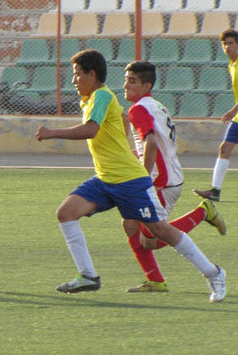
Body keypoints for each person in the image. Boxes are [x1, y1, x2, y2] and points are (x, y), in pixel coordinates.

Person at [34, 49, 226, 303]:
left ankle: (214, 273)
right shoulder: (93, 99)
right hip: (106, 178)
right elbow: (121, 120)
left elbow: (91, 130)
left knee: (159, 230)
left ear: (92, 74)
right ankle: (89, 276)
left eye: (77, 74)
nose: (74, 80)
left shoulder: (101, 95)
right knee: (66, 213)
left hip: (130, 180)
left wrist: (51, 132)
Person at [124, 61, 226, 293]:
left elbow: (150, 144)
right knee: (130, 223)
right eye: (126, 79)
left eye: (132, 81)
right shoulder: (157, 105)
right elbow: (153, 145)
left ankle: (203, 212)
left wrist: (143, 178)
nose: (126, 85)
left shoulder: (138, 109)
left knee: (152, 238)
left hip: (161, 182)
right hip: (169, 176)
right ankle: (156, 280)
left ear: (146, 85)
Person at [193, 29, 238, 202]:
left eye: (231, 43)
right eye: (224, 44)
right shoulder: (231, 64)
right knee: (224, 148)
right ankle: (215, 190)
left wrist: (233, 110)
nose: (227, 47)